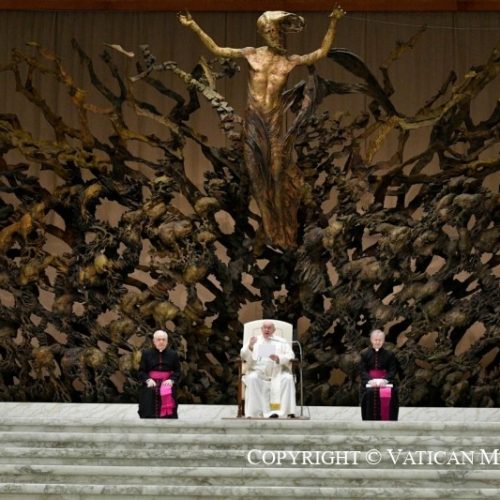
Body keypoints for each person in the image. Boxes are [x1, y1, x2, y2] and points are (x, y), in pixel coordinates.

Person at [178, 7, 345, 247]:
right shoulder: (251, 54)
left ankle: (284, 228)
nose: (275, 36)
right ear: (263, 33)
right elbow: (217, 49)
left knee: (277, 172)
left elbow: (321, 52)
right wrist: (193, 26)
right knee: (256, 175)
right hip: (254, 124)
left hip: (274, 125)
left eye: (277, 31)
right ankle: (269, 226)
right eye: (270, 31)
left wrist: (334, 22)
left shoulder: (290, 61)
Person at [240, 321, 296, 418]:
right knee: (252, 378)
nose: (267, 330)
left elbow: (290, 355)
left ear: (274, 330)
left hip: (277, 373)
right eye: (265, 327)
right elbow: (243, 355)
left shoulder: (281, 341)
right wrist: (250, 347)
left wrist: (279, 358)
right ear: (261, 329)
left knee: (288, 378)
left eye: (269, 328)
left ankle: (279, 412)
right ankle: (257, 412)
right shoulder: (254, 340)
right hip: (259, 373)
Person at [138, 330, 181, 418]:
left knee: (170, 391)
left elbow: (177, 371)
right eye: (158, 339)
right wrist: (148, 380)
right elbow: (141, 371)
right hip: (151, 382)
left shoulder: (173, 354)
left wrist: (171, 380)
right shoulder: (146, 353)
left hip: (167, 382)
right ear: (154, 341)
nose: (161, 342)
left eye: (163, 339)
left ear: (167, 341)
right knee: (148, 394)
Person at [359, 329, 399, 421]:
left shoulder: (390, 354)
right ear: (371, 340)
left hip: (385, 382)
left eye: (380, 340)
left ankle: (388, 423)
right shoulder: (364, 354)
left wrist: (385, 380)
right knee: (369, 393)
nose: (377, 342)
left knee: (390, 393)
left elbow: (392, 370)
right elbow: (362, 370)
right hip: (369, 382)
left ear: (383, 340)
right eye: (375, 340)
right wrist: (369, 380)